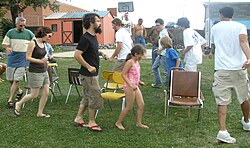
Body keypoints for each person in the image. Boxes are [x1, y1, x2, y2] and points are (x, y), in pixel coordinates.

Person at [211, 7, 250, 144]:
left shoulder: (215, 28)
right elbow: (243, 41)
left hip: (222, 69)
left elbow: (215, 44)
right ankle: (246, 121)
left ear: (221, 15)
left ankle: (222, 131)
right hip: (239, 67)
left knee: (222, 100)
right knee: (244, 96)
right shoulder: (241, 26)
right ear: (232, 15)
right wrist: (249, 58)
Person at [73, 13, 108, 132]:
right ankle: (91, 122)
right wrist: (88, 66)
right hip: (88, 74)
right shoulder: (85, 38)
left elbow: (90, 51)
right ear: (91, 23)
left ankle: (78, 118)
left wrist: (100, 53)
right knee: (95, 96)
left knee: (87, 97)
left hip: (91, 74)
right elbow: (77, 55)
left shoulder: (93, 37)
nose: (99, 23)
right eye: (97, 21)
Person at [13, 26, 53, 117]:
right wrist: (40, 61)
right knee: (34, 94)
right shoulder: (33, 43)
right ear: (43, 34)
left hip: (44, 71)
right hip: (35, 72)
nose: (49, 38)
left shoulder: (44, 44)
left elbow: (44, 57)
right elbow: (28, 58)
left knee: (46, 92)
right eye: (49, 36)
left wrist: (47, 60)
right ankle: (19, 104)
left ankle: (40, 112)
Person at [2, 17, 35, 108]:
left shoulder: (29, 33)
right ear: (16, 24)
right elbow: (4, 44)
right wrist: (7, 47)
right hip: (12, 59)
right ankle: (19, 91)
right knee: (10, 79)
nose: (23, 27)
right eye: (21, 25)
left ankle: (10, 100)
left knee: (16, 80)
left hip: (23, 60)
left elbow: (35, 43)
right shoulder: (10, 32)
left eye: (24, 25)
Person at [115, 44, 149, 130]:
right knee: (129, 107)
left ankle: (139, 123)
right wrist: (130, 84)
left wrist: (139, 82)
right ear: (136, 54)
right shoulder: (129, 62)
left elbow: (134, 74)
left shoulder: (136, 62)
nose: (142, 56)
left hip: (135, 86)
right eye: (141, 54)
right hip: (129, 87)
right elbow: (123, 74)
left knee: (141, 104)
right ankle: (118, 122)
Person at [151, 18, 169, 88]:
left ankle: (169, 85)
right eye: (156, 26)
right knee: (154, 67)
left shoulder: (164, 33)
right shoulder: (161, 32)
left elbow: (166, 44)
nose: (157, 27)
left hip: (164, 54)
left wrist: (159, 50)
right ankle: (158, 83)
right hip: (161, 53)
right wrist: (158, 49)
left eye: (158, 25)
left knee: (166, 71)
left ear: (162, 25)